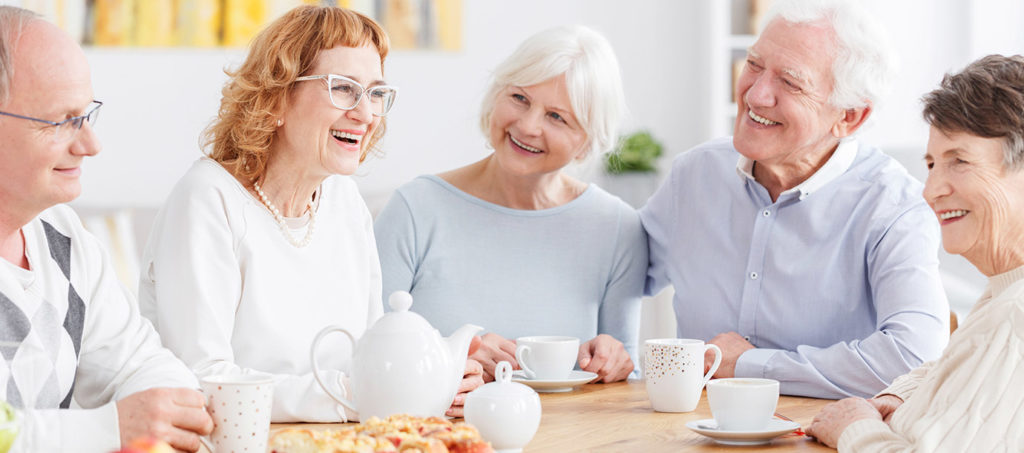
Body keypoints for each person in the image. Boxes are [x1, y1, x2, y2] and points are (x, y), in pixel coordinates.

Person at [137, 5, 481, 422]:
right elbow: (201, 379)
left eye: (375, 93)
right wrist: (361, 395)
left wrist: (430, 377)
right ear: (276, 97)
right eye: (343, 88)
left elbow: (368, 357)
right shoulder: (209, 199)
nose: (366, 114)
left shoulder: (345, 201)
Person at [640, 0, 950, 399]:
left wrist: (753, 365)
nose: (756, 94)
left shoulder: (893, 207)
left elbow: (914, 358)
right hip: (690, 434)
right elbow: (615, 268)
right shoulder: (694, 176)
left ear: (849, 117)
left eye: (790, 81)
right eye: (754, 64)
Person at [374, 25, 646, 384]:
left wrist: (616, 360)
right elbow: (365, 351)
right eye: (519, 98)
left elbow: (625, 377)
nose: (528, 125)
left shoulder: (618, 227)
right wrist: (453, 353)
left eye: (557, 117)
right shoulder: (415, 209)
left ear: (587, 142)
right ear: (496, 94)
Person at [0, 6, 213, 452]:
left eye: (86, 116)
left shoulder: (64, 236)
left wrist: (161, 417)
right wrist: (110, 429)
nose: (90, 145)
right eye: (62, 122)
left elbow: (142, 365)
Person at [807, 54, 1024, 451]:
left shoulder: (1015, 317)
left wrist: (854, 429)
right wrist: (903, 393)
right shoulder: (1004, 292)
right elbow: (961, 371)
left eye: (958, 161)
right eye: (931, 164)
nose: (931, 189)